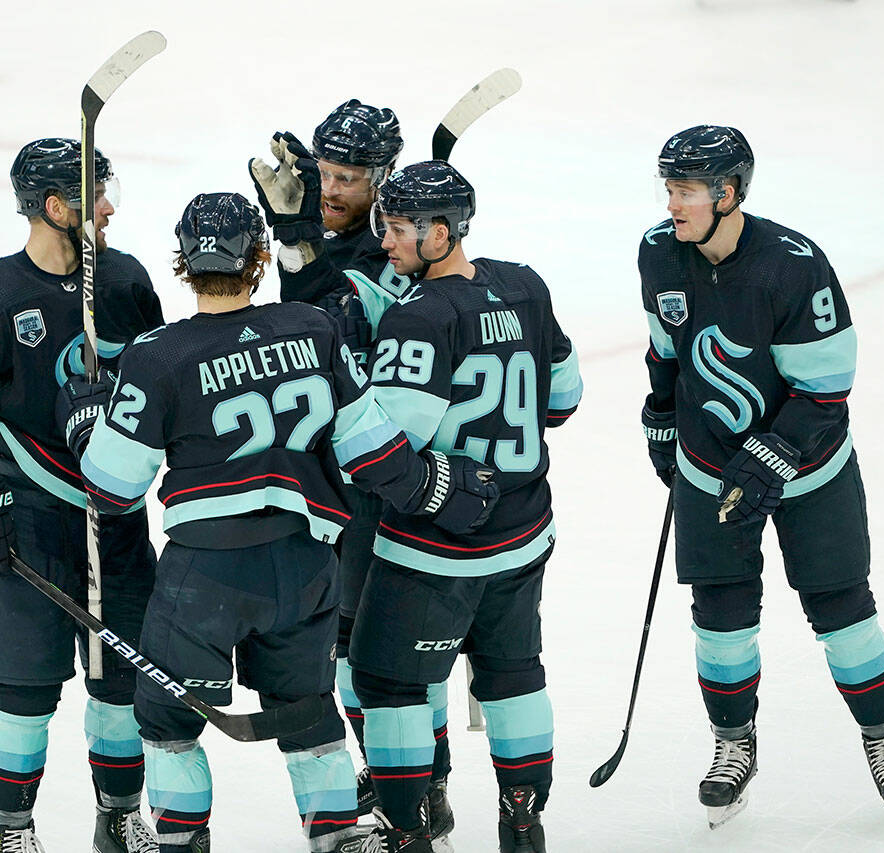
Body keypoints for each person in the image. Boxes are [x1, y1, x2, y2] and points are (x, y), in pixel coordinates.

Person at [60, 192, 500, 853]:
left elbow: (111, 491)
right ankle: (338, 841)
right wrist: (446, 489)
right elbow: (377, 456)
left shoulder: (157, 355)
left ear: (183, 262)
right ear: (259, 258)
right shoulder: (312, 328)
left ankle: (181, 843)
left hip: (205, 573)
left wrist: (88, 419)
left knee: (165, 716)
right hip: (305, 566)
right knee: (310, 715)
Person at [638, 124, 884, 827]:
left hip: (812, 470)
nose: (672, 203)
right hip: (711, 469)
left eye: (686, 190)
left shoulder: (794, 264)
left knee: (843, 610)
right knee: (721, 622)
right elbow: (665, 349)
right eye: (669, 188)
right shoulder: (656, 252)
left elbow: (827, 389)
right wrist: (660, 417)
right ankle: (734, 744)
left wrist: (776, 448)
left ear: (728, 192)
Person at [0, 137, 164, 853]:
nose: (109, 208)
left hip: (115, 518)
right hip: (27, 520)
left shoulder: (124, 282)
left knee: (122, 682)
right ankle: (12, 828)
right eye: (95, 198)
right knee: (22, 689)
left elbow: (162, 388)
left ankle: (119, 818)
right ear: (57, 208)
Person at [344, 161, 582, 852]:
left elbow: (386, 452)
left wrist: (345, 388)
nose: (384, 242)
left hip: (435, 552)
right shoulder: (525, 285)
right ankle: (523, 819)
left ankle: (407, 831)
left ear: (439, 232)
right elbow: (562, 400)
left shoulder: (416, 316)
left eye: (394, 229)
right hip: (526, 532)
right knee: (512, 674)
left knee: (387, 681)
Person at [248, 102, 459, 838]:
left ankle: (427, 780)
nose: (333, 188)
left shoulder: (393, 254)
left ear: (385, 179)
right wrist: (299, 240)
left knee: (394, 644)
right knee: (345, 640)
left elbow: (321, 326)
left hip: (392, 471)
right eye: (326, 173)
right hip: (336, 472)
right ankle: (395, 766)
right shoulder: (338, 239)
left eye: (350, 177)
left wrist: (301, 239)